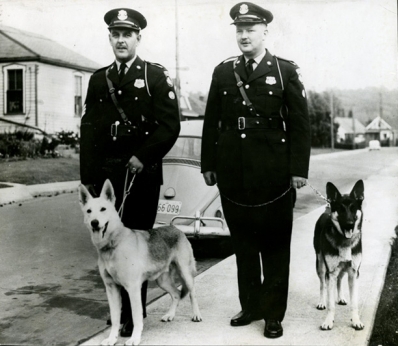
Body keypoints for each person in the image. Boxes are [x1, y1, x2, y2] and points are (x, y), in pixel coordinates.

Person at [201, 2, 311, 339]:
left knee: (276, 245)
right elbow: (211, 121)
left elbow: (300, 123)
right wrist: (208, 164)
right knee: (244, 245)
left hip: (274, 173)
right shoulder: (223, 72)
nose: (244, 35)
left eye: (251, 29)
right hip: (233, 172)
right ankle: (250, 306)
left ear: (265, 31)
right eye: (239, 29)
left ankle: (273, 313)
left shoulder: (284, 71)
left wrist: (297, 169)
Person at [80, 8, 180, 337]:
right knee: (108, 245)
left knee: (133, 247)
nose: (121, 40)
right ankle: (122, 310)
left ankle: (131, 316)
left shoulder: (154, 76)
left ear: (139, 38)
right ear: (110, 38)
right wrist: (89, 178)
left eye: (128, 34)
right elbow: (89, 129)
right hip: (109, 174)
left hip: (142, 174)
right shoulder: (99, 79)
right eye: (116, 34)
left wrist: (143, 155)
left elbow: (169, 126)